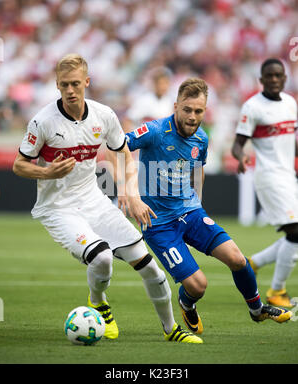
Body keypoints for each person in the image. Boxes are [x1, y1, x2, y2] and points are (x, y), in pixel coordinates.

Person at [12, 53, 203, 344]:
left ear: (86, 81)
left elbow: (123, 151)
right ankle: (99, 303)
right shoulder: (43, 122)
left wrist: (128, 190)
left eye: (76, 83)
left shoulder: (104, 115)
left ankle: (171, 330)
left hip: (94, 201)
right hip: (58, 208)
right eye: (64, 85)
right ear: (57, 85)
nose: (70, 90)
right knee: (101, 257)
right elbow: (19, 165)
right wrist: (48, 173)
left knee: (150, 267)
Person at [125, 77, 292, 336]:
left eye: (199, 111)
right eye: (187, 110)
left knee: (237, 258)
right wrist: (131, 195)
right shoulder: (155, 131)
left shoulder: (201, 138)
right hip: (158, 224)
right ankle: (186, 303)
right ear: (176, 106)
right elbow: (118, 146)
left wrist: (197, 205)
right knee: (198, 286)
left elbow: (197, 170)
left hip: (190, 213)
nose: (193, 117)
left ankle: (257, 310)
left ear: (205, 110)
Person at [232, 58, 298, 308]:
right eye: (268, 76)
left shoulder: (291, 103)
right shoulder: (253, 107)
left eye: (277, 75)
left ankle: (255, 262)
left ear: (284, 78)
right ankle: (276, 291)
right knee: (296, 232)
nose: (273, 79)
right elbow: (237, 143)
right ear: (261, 80)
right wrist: (240, 157)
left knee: (295, 233)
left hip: (288, 175)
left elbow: (291, 141)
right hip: (269, 177)